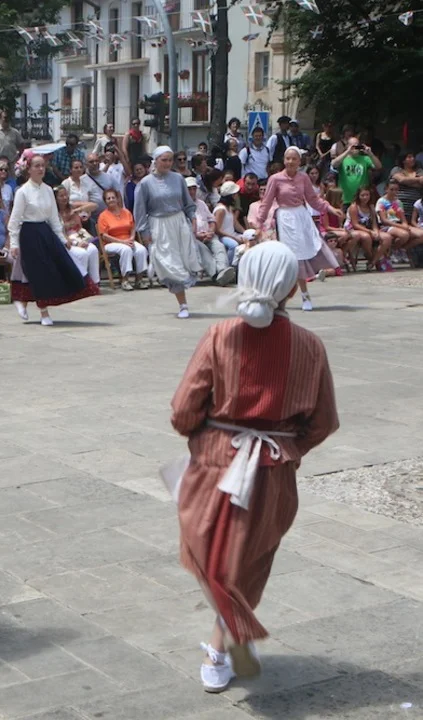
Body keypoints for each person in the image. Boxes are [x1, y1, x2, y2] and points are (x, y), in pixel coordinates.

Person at [171, 241, 338, 693]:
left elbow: (183, 410)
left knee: (213, 560)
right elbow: (323, 422)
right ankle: (230, 642)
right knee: (247, 562)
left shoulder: (220, 336)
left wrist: (205, 437)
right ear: (291, 287)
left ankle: (221, 647)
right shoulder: (309, 346)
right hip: (271, 469)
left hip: (214, 461)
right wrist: (287, 447)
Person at [8, 155, 99, 325]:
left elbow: (53, 218)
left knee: (58, 265)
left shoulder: (48, 190)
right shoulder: (22, 192)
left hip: (45, 231)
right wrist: (13, 243)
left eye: (42, 165)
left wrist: (62, 238)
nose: (40, 169)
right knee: (38, 271)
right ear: (29, 169)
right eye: (36, 166)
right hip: (29, 233)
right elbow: (14, 220)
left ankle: (24, 300)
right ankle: (43, 312)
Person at [256, 147, 342, 312]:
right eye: (288, 158)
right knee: (293, 257)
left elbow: (313, 199)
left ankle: (302, 294)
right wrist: (259, 223)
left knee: (307, 251)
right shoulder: (275, 179)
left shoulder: (303, 178)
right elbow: (266, 202)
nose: (290, 162)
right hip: (285, 218)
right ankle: (293, 294)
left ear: (299, 161)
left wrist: (330, 209)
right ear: (284, 160)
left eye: (294, 159)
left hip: (301, 217)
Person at [135, 146, 201, 318]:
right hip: (159, 226)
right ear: (155, 161)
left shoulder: (178, 178)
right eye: (164, 160)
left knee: (183, 261)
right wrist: (145, 232)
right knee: (170, 264)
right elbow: (140, 211)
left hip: (179, 223)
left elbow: (187, 202)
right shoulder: (145, 183)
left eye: (170, 160)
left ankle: (183, 302)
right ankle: (183, 304)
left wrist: (192, 218)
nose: (167, 163)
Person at [98, 187, 149, 291]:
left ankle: (139, 279)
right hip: (110, 243)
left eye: (113, 197)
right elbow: (104, 236)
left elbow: (132, 227)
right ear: (105, 201)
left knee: (141, 250)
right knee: (126, 249)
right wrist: (122, 242)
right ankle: (125, 280)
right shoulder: (103, 216)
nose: (111, 200)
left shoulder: (126, 212)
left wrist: (131, 238)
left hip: (127, 240)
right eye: (108, 198)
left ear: (117, 199)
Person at [346, 186, 389, 271]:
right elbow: (355, 224)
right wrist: (370, 231)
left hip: (369, 228)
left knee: (387, 238)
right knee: (366, 237)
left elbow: (374, 223)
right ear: (358, 196)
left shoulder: (371, 207)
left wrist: (376, 231)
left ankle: (373, 261)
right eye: (362, 195)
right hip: (354, 228)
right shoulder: (354, 207)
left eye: (367, 195)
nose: (365, 197)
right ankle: (370, 257)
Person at [331, 137, 380, 206]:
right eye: (353, 146)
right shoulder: (343, 159)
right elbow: (334, 164)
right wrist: (347, 151)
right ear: (348, 146)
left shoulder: (365, 158)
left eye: (357, 145)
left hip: (362, 199)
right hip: (345, 199)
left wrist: (370, 153)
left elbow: (378, 166)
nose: (355, 148)